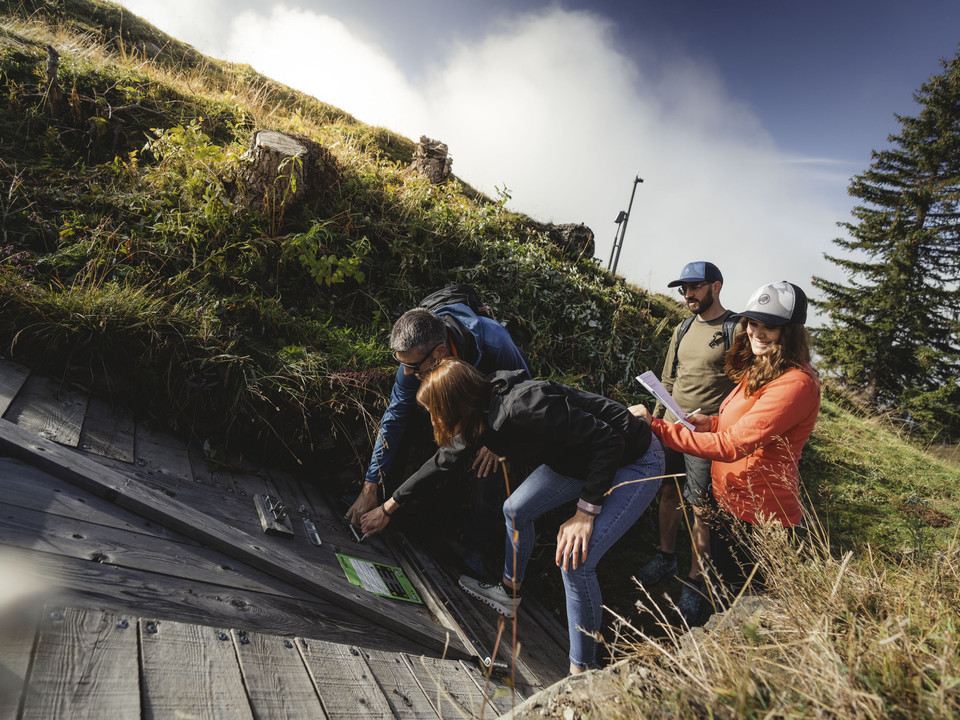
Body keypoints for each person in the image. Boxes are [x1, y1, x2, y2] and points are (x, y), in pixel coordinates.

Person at [359, 358, 665, 675]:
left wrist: (585, 512)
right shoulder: (478, 412)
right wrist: (387, 508)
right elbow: (441, 462)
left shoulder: (526, 406)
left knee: (576, 560)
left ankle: (582, 671)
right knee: (516, 509)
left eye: (434, 410)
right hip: (578, 462)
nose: (433, 418)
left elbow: (609, 440)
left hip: (634, 458)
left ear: (454, 405)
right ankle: (509, 594)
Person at [632, 281, 820, 598]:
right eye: (753, 323)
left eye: (769, 326)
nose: (756, 333)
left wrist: (660, 428)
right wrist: (711, 422)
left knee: (744, 604)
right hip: (732, 503)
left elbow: (734, 445)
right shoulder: (767, 366)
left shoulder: (796, 384)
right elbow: (741, 422)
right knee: (726, 591)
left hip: (758, 517)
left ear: (790, 331)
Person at [345, 291, 530, 578]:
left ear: (440, 353)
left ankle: (476, 550)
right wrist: (369, 486)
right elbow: (393, 419)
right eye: (401, 364)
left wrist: (499, 441)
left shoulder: (495, 342)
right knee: (403, 424)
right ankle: (378, 505)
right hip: (443, 394)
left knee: (489, 462)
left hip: (491, 408)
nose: (406, 373)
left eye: (413, 367)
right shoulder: (413, 362)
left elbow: (523, 393)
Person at [635, 261, 739, 623]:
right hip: (669, 429)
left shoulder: (734, 328)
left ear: (716, 286)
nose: (688, 294)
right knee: (667, 495)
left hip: (706, 436)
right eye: (684, 288)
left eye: (695, 287)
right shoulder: (681, 328)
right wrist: (656, 419)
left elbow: (747, 383)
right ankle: (666, 557)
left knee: (701, 508)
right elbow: (668, 377)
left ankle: (696, 580)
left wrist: (725, 426)